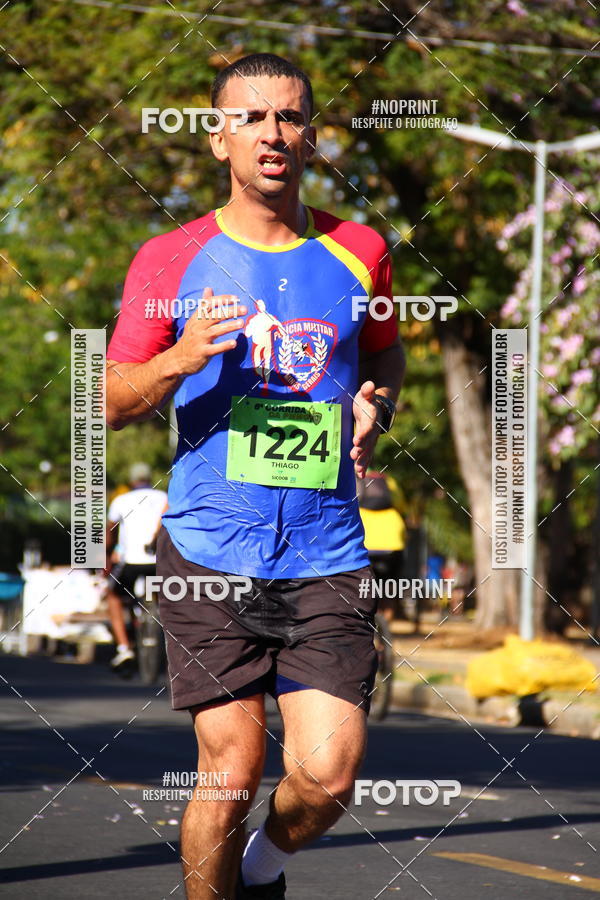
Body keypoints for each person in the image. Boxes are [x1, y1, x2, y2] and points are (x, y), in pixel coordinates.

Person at [106, 53, 405, 900]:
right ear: (218, 139)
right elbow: (108, 401)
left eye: (290, 116)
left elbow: (385, 353)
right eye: (251, 117)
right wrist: (181, 357)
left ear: (310, 136)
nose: (273, 132)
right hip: (210, 550)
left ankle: (261, 868)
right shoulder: (169, 258)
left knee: (328, 776)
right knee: (231, 771)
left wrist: (377, 405)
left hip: (325, 551)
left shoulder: (362, 251)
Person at [105, 462, 168, 671]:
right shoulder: (164, 497)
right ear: (150, 478)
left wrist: (107, 556)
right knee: (168, 596)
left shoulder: (121, 500)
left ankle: (124, 648)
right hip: (159, 562)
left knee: (113, 596)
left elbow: (108, 533)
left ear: (131, 481)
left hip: (131, 562)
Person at [357, 470, 407, 621]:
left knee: (364, 590)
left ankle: (369, 622)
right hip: (392, 543)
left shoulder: (356, 481)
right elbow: (401, 505)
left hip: (366, 546)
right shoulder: (389, 481)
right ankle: (387, 627)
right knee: (390, 589)